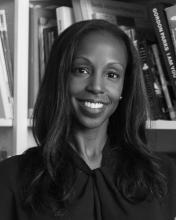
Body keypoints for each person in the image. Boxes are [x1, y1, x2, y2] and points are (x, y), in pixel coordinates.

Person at [0, 19, 176, 220]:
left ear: (124, 88)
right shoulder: (11, 179)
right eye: (81, 70)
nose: (96, 86)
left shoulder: (162, 174)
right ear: (60, 77)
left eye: (112, 74)